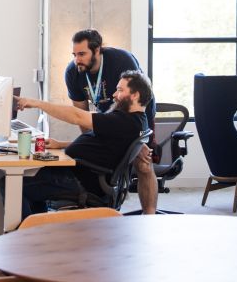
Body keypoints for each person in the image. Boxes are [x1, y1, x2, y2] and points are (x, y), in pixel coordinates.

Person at [13, 70, 152, 219]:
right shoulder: (136, 120)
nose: (114, 94)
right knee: (28, 179)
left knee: (13, 186)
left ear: (135, 95)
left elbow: (77, 116)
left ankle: (28, 231)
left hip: (80, 181)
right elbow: (103, 147)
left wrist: (36, 103)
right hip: (81, 176)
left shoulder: (123, 121)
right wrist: (61, 144)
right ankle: (37, 227)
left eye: (120, 90)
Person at [64, 29, 158, 214]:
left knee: (143, 164)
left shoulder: (121, 61)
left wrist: (139, 141)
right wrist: (94, 141)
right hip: (110, 115)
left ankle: (149, 215)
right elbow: (81, 114)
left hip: (138, 114)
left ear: (97, 50)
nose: (77, 60)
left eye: (82, 54)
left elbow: (139, 102)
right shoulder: (73, 72)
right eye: (74, 55)